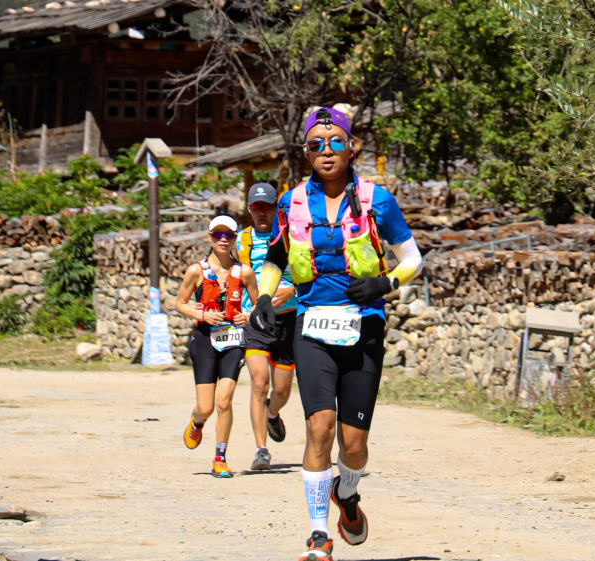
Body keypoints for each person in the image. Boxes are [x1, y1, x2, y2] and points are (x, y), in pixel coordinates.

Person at [249, 107, 423, 561]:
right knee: (318, 428)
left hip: (363, 325)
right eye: (315, 146)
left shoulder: (376, 200)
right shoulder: (291, 202)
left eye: (334, 143)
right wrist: (265, 297)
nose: (326, 152)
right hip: (312, 325)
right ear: (305, 152)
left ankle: (347, 494)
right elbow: (275, 259)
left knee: (354, 444)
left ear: (351, 147)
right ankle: (318, 534)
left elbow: (413, 258)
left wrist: (386, 283)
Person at [174, 212, 249, 478]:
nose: (223, 239)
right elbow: (180, 302)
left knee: (224, 400)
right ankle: (197, 422)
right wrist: (202, 315)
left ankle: (220, 457)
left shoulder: (244, 272)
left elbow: (260, 305)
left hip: (233, 341)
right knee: (206, 407)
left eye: (228, 234)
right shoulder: (196, 271)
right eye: (218, 234)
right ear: (210, 237)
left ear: (234, 239)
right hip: (205, 339)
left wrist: (247, 316)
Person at [237, 182, 298, 471]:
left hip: (288, 319)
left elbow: (311, 272)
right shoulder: (241, 241)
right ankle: (262, 450)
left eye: (268, 207)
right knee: (259, 383)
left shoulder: (291, 237)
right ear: (249, 210)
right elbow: (227, 275)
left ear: (277, 209)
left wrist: (293, 291)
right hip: (255, 322)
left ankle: (273, 414)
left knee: (282, 390)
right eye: (257, 207)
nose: (262, 213)